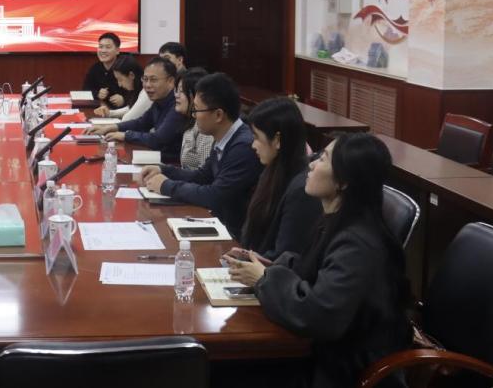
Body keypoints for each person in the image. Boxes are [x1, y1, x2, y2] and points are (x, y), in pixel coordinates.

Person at [226, 133, 411, 388]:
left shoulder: (357, 244)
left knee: (226, 369)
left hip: (344, 370)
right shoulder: (337, 221)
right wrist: (270, 266)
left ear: (343, 181)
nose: (311, 164)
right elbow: (314, 269)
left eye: (323, 159)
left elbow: (319, 315)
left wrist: (264, 279)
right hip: (321, 354)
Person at [140, 72, 261, 236]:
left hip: (234, 235)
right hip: (219, 224)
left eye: (197, 109)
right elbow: (202, 176)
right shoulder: (224, 135)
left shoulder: (242, 146)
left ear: (218, 115)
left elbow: (214, 195)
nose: (194, 115)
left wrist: (166, 185)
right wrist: (163, 170)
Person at [230, 97, 321, 261]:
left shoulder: (302, 190)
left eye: (257, 137)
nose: (253, 145)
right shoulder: (271, 171)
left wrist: (247, 260)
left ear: (277, 140)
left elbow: (285, 255)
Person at [89, 57, 185, 163]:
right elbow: (141, 123)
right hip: (156, 158)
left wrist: (125, 135)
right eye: (145, 79)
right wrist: (110, 128)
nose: (147, 85)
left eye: (153, 80)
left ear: (171, 81)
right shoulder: (159, 100)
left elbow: (158, 139)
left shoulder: (178, 104)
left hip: (171, 164)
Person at [173, 67, 214, 170]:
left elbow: (205, 174)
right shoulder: (189, 120)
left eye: (181, 91)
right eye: (176, 90)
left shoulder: (204, 127)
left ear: (197, 96)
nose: (176, 95)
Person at [92, 55, 148, 120]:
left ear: (131, 75)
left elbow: (128, 118)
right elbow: (131, 109)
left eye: (120, 79)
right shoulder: (138, 88)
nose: (119, 84)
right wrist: (109, 113)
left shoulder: (146, 92)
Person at [82, 32, 124, 104]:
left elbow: (140, 92)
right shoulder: (95, 68)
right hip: (101, 108)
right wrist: (97, 94)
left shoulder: (127, 66)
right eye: (101, 47)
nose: (103, 51)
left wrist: (124, 99)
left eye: (108, 47)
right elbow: (85, 91)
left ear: (117, 50)